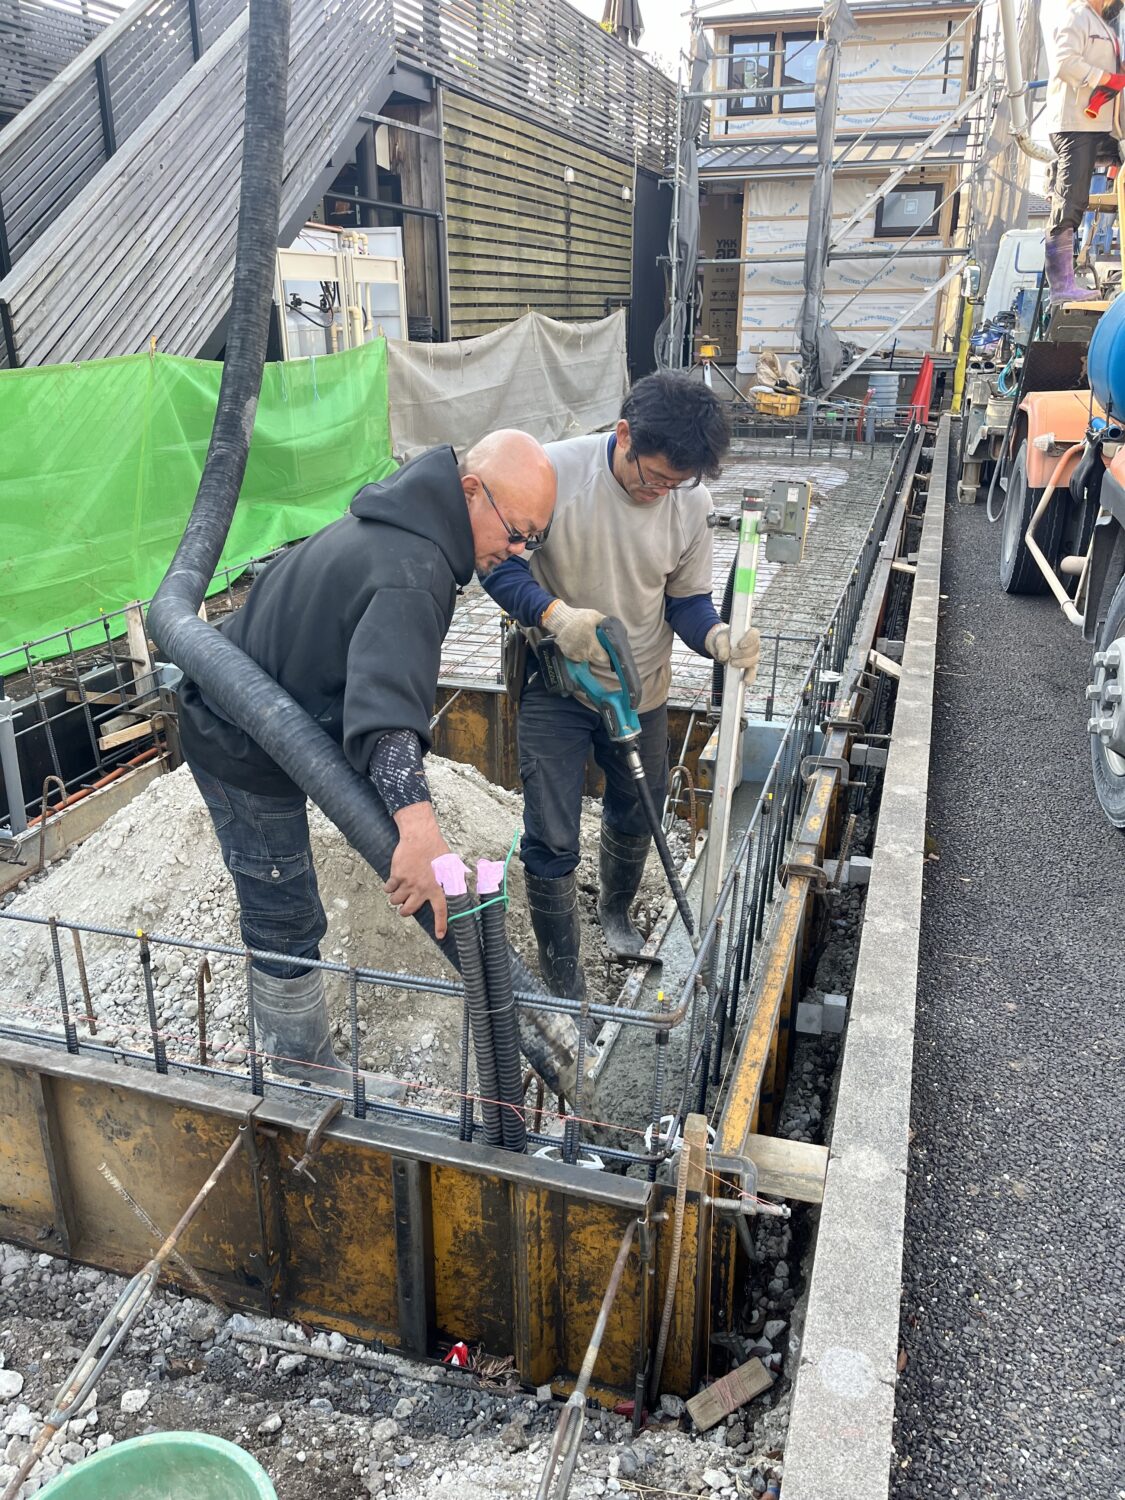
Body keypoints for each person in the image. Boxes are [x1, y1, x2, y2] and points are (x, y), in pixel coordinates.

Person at [175, 430, 556, 1082]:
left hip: (282, 716)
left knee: (303, 897)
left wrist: (412, 822)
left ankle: (297, 1060)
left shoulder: (405, 526)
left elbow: (370, 684)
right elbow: (385, 714)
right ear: (471, 492)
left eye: (533, 540)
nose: (518, 551)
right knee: (285, 911)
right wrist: (418, 829)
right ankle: (297, 1070)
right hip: (236, 734)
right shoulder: (415, 571)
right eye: (517, 533)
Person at [482, 373, 759, 1001]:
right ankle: (562, 974)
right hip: (557, 679)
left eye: (674, 484)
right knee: (551, 830)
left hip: (641, 686)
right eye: (653, 477)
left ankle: (615, 912)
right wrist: (554, 614)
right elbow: (497, 565)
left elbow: (686, 601)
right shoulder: (554, 474)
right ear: (625, 435)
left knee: (639, 805)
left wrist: (717, 637)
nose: (659, 492)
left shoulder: (689, 503)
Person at [1042, 0, 1125, 302]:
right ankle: (1061, 285)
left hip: (1103, 125)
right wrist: (1104, 78)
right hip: (1074, 123)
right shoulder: (1077, 16)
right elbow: (1064, 62)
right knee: (1071, 199)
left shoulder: (1103, 24)